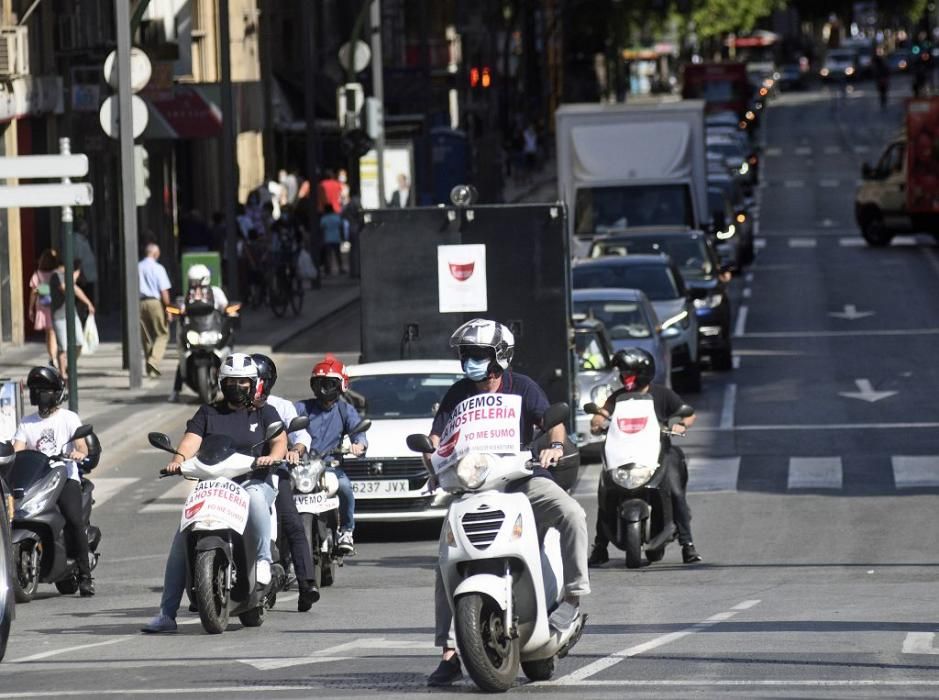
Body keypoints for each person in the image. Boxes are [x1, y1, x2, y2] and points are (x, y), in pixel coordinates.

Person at [425, 319, 589, 687]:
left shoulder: (524, 387)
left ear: (500, 355)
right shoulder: (457, 394)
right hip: (474, 485)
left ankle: (573, 599)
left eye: (478, 354)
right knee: (444, 559)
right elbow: (438, 438)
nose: (470, 361)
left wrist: (555, 446)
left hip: (522, 478)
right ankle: (449, 652)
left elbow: (552, 424)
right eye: (466, 354)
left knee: (571, 514)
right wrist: (432, 461)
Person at [142, 353, 286, 633]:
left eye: (243, 381)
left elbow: (279, 440)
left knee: (256, 498)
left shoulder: (263, 411)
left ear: (254, 383)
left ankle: (264, 559)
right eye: (230, 381)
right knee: (181, 538)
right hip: (213, 486)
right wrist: (178, 460)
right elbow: (191, 441)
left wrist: (273, 457)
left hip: (252, 481)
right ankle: (166, 613)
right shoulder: (208, 412)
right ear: (221, 382)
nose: (236, 386)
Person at [587, 347, 701, 566]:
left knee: (676, 492)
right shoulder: (618, 397)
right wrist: (598, 422)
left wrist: (680, 424)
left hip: (659, 454)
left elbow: (689, 414)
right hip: (624, 455)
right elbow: (602, 414)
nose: (624, 377)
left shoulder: (663, 394)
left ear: (642, 373)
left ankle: (688, 545)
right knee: (606, 492)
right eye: (622, 372)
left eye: (628, 372)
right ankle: (600, 547)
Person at [12, 366, 94, 596]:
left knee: (73, 519)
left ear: (57, 392)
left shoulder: (68, 418)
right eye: (37, 389)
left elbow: (81, 446)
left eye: (46, 389)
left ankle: (86, 576)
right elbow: (18, 450)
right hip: (40, 478)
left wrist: (78, 453)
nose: (41, 394)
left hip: (65, 476)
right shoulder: (26, 423)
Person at [250, 353, 320, 612]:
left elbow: (301, 436)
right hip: (237, 476)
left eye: (256, 380)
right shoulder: (229, 408)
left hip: (273, 475)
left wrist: (295, 451)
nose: (249, 386)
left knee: (292, 522)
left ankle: (306, 584)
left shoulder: (281, 407)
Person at [294, 354, 366, 556]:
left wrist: (358, 444)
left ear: (341, 385)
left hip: (330, 467)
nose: (324, 388)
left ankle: (346, 531)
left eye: (329, 383)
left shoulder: (345, 410)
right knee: (280, 492)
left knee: (344, 487)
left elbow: (358, 430)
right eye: (319, 383)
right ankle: (283, 542)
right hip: (302, 469)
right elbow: (285, 426)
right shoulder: (301, 408)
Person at [169, 264, 230, 402]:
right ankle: (176, 390)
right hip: (194, 331)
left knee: (227, 353)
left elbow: (224, 306)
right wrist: (178, 311)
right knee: (183, 356)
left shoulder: (215, 292)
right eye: (192, 281)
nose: (194, 284)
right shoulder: (189, 295)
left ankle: (231, 384)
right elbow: (181, 308)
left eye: (196, 280)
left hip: (212, 329)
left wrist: (228, 311)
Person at [49, 258, 94, 382]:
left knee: (79, 342)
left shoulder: (68, 277)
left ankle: (69, 366)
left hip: (71, 314)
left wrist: (88, 303)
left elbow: (76, 289)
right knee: (63, 346)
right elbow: (66, 289)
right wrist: (73, 279)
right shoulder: (56, 275)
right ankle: (63, 373)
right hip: (59, 316)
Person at [138, 243, 172, 378]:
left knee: (146, 335)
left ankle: (150, 368)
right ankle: (154, 360)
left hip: (140, 303)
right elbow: (164, 290)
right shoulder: (158, 268)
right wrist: (168, 308)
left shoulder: (138, 266)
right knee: (163, 333)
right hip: (155, 302)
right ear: (155, 254)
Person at [28, 248, 61, 367]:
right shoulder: (56, 273)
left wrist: (30, 308)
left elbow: (34, 292)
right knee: (53, 332)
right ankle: (54, 357)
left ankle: (52, 356)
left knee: (49, 333)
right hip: (55, 306)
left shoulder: (37, 274)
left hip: (42, 306)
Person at [74, 222, 97, 324]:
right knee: (83, 301)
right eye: (85, 227)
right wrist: (81, 275)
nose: (87, 229)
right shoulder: (77, 240)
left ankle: (85, 320)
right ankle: (80, 321)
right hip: (84, 277)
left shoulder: (84, 239)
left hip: (89, 276)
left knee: (87, 300)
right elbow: (77, 259)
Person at [319, 204, 347, 275]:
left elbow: (321, 230)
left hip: (327, 239)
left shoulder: (324, 218)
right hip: (336, 238)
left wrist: (321, 239)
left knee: (328, 255)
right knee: (338, 255)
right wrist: (343, 237)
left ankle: (328, 269)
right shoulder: (337, 217)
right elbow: (341, 228)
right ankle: (340, 268)